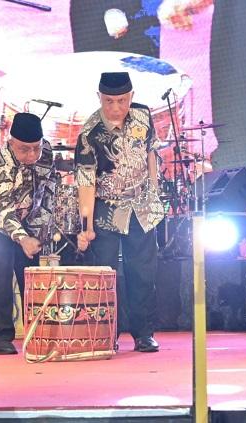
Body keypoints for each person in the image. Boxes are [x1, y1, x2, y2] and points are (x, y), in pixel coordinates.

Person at [75, 71, 165, 353]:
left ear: (132, 97)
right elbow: (86, 182)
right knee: (105, 273)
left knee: (143, 272)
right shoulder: (90, 133)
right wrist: (86, 225)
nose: (116, 108)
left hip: (140, 206)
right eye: (109, 101)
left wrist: (154, 192)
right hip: (107, 208)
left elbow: (151, 153)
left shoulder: (143, 117)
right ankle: (106, 334)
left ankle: (143, 334)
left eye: (122, 101)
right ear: (99, 98)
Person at [0, 112, 55, 355]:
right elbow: (4, 210)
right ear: (11, 143)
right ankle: (1, 338)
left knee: (30, 276)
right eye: (24, 150)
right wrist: (22, 238)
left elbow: (48, 191)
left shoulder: (46, 153)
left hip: (27, 216)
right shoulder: (1, 164)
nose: (31, 155)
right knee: (0, 273)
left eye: (35, 149)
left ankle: (37, 332)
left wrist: (41, 231)